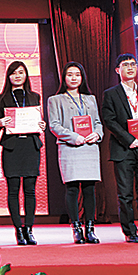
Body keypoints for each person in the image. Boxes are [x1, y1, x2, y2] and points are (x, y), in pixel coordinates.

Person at [102, 53, 138, 243]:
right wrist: (129, 139)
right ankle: (130, 232)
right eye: (125, 65)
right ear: (117, 70)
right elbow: (110, 121)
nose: (130, 68)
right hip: (124, 148)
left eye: (133, 64)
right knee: (125, 194)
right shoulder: (110, 94)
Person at [48, 62, 103, 244]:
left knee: (89, 189)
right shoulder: (55, 100)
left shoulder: (90, 98)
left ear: (82, 78)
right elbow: (54, 125)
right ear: (64, 77)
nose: (74, 78)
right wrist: (74, 137)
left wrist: (97, 134)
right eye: (70, 74)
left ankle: (90, 229)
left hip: (90, 147)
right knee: (72, 188)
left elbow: (97, 122)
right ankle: (76, 228)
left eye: (77, 75)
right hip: (69, 147)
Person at [0, 61, 46, 246]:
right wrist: (0, 123)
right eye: (13, 73)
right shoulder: (1, 98)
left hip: (31, 146)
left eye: (21, 72)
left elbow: (38, 121)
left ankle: (29, 229)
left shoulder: (35, 96)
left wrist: (42, 125)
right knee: (13, 190)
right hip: (12, 147)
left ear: (26, 75)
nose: (17, 76)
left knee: (30, 190)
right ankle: (18, 229)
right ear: (8, 76)